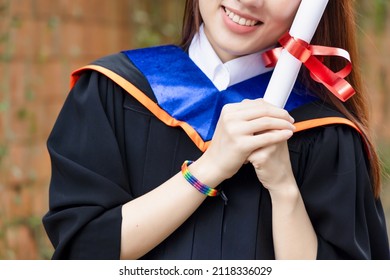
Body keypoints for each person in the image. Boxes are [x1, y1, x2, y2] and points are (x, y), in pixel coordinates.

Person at [43, 0, 390, 260]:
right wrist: (209, 168)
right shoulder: (112, 92)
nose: (250, 0)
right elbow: (82, 252)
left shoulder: (326, 130)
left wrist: (285, 190)